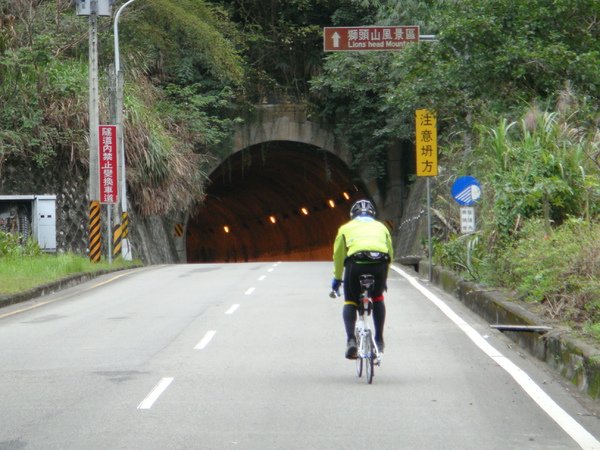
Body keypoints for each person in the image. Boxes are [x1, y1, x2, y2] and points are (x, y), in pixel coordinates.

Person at [331, 199, 394, 359]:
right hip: (379, 264)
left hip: (356, 264)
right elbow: (390, 254)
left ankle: (351, 340)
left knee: (350, 302)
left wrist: (337, 279)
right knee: (378, 298)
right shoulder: (382, 227)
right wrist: (384, 277)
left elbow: (338, 257)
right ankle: (379, 339)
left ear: (353, 215)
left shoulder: (345, 228)